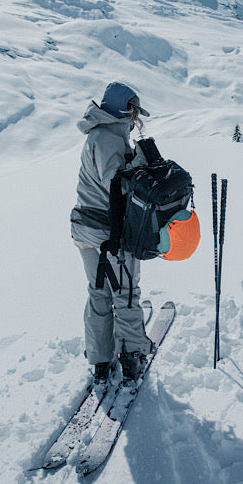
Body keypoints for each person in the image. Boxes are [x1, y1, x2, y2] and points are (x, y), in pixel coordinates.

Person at [70, 81, 153, 385]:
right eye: (133, 112)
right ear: (124, 110)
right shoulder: (107, 139)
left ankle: (101, 359)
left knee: (99, 292)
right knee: (125, 293)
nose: (135, 119)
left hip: (84, 228)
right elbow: (115, 186)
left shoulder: (100, 134)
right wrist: (143, 163)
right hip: (108, 232)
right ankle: (132, 356)